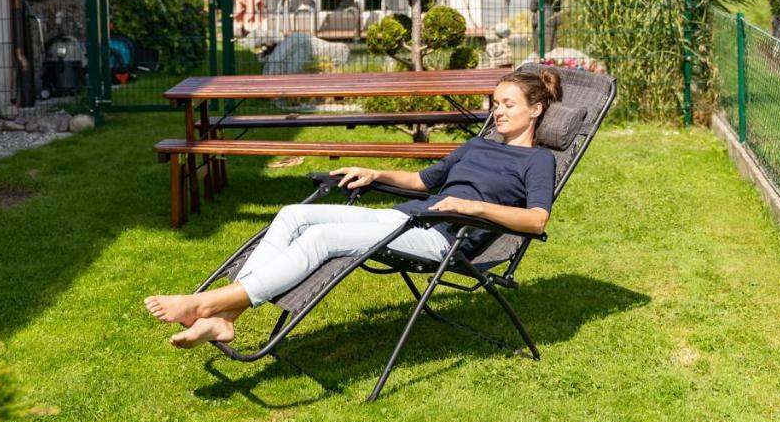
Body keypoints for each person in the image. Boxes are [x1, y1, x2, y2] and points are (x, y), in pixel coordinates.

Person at [144, 68, 561, 349]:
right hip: (406, 218)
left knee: (322, 237)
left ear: (535, 109)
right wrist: (373, 172)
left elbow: (536, 220)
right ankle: (227, 314)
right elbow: (422, 182)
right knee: (293, 214)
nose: (497, 112)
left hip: (444, 239)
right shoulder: (476, 145)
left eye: (508, 104)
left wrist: (474, 207)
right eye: (495, 103)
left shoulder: (538, 160)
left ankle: (206, 305)